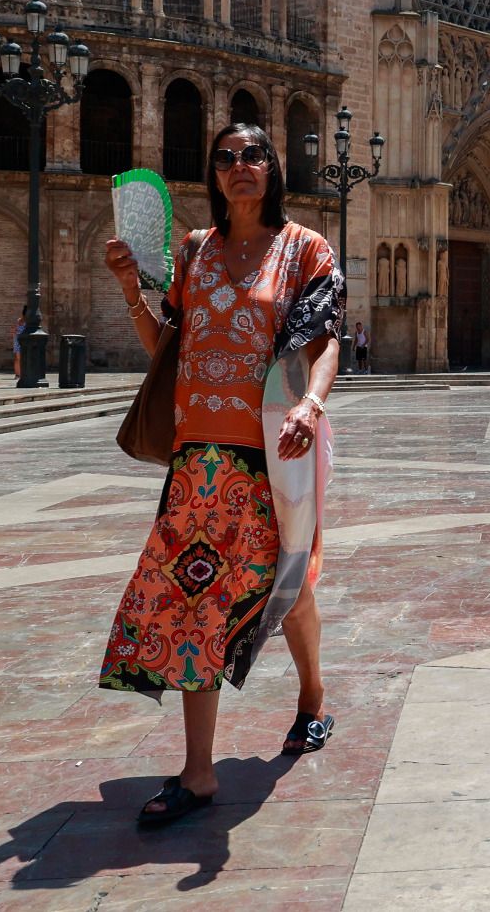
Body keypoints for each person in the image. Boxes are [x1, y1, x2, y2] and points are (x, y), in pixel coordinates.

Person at [98, 123, 345, 827]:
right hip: (199, 461)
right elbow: (165, 350)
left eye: (255, 156)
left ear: (272, 169)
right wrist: (129, 290)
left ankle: (312, 699)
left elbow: (325, 345)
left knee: (288, 590)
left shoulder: (304, 251)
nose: (242, 167)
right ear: (214, 173)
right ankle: (198, 773)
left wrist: (310, 402)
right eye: (227, 158)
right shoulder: (195, 252)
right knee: (191, 604)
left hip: (273, 453)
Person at [12, 312, 26, 380]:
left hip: (25, 342)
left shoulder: (29, 323)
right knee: (18, 359)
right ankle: (18, 374)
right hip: (18, 342)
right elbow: (14, 331)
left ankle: (21, 374)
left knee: (22, 359)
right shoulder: (19, 321)